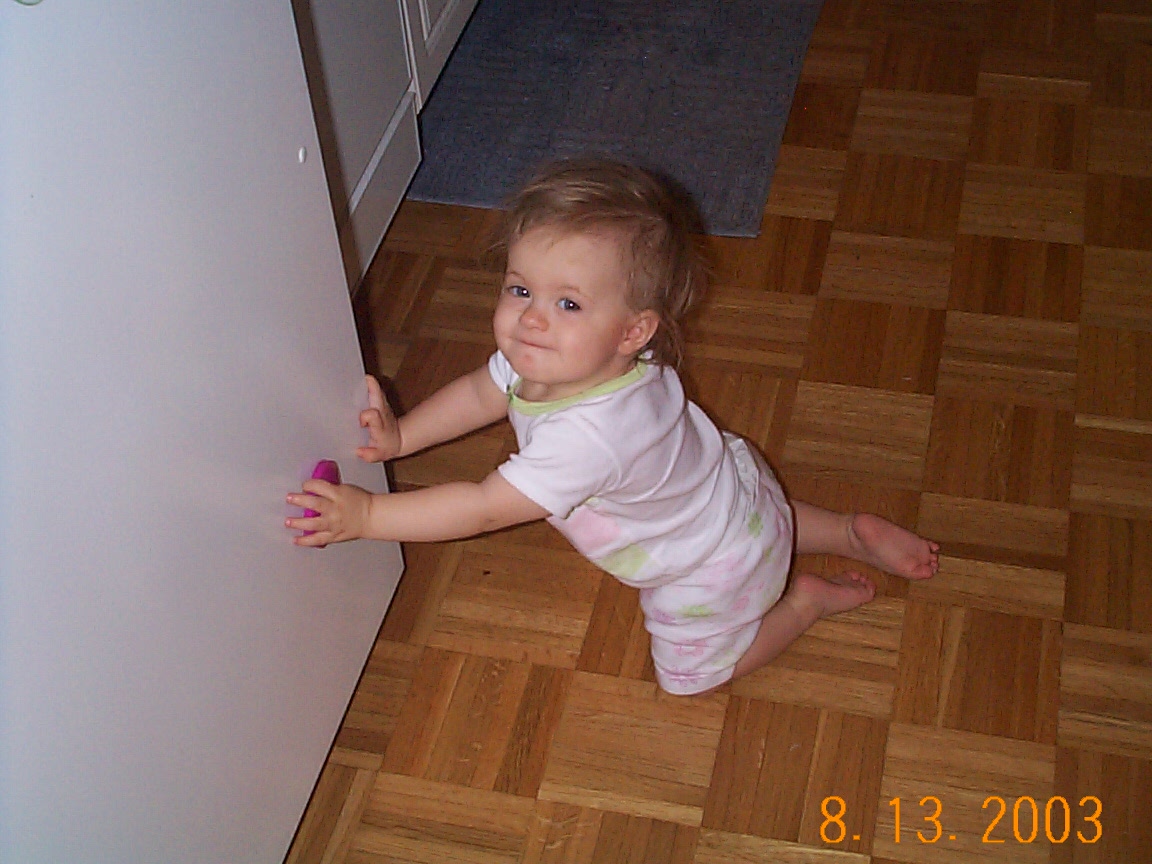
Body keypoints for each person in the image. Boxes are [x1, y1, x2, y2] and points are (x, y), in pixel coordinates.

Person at [286, 158, 939, 695]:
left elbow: (482, 507)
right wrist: (403, 437)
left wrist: (369, 517)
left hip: (709, 566)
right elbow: (483, 391)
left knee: (689, 679)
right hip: (740, 489)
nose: (532, 318)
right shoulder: (577, 357)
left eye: (568, 302)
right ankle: (848, 532)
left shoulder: (587, 438)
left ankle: (803, 605)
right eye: (520, 289)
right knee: (755, 521)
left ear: (633, 332)